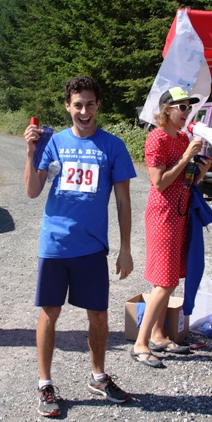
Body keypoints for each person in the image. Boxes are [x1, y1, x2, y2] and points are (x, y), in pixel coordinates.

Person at [24, 75, 137, 417]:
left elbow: (123, 202)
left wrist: (126, 248)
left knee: (99, 315)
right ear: (67, 107)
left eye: (89, 104)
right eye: (77, 105)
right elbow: (32, 191)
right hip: (55, 245)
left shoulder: (113, 145)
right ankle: (45, 384)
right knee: (50, 312)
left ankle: (99, 377)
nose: (84, 111)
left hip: (91, 248)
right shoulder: (52, 142)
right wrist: (31, 152)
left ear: (97, 105)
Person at [130, 87, 212, 368]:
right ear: (167, 110)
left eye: (189, 108)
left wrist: (200, 168)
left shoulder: (184, 138)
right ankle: (141, 344)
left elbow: (187, 182)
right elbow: (160, 182)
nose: (186, 112)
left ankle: (158, 335)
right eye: (182, 108)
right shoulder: (157, 139)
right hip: (163, 215)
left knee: (169, 280)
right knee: (164, 282)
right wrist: (187, 156)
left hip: (181, 214)